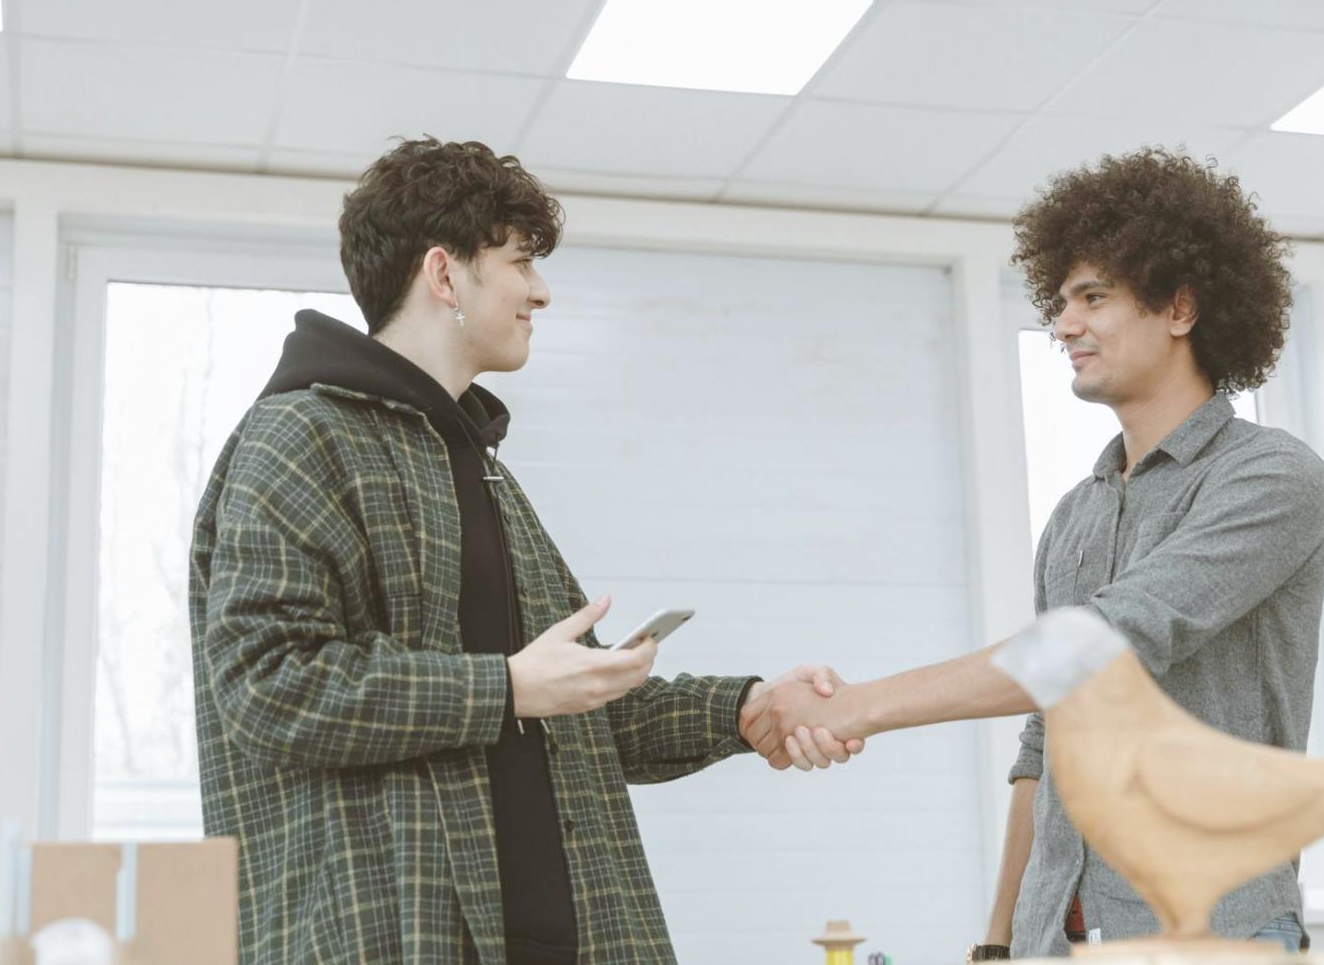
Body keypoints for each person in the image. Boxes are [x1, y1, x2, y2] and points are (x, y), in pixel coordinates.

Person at [189, 137, 860, 965]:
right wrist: (503, 686)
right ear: (445, 275)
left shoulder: (481, 474)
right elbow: (267, 686)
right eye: (518, 261)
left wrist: (745, 707)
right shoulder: (300, 438)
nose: (540, 290)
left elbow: (574, 704)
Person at [740, 148, 1324, 956]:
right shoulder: (1075, 517)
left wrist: (856, 706)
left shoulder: (1273, 478)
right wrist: (999, 940)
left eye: (1093, 297)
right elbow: (1045, 741)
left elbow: (1100, 646)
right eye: (1060, 301)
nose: (1063, 324)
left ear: (1181, 308)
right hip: (1060, 936)